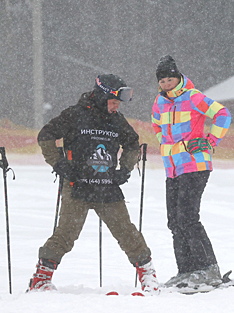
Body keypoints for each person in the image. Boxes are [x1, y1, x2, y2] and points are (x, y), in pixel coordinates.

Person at [28, 74, 159, 293]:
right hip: (77, 187)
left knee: (127, 233)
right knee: (66, 234)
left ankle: (149, 277)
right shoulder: (75, 115)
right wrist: (59, 164)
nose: (116, 107)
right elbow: (46, 135)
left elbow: (132, 144)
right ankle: (40, 279)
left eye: (118, 103)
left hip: (107, 188)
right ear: (100, 96)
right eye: (113, 102)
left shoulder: (117, 120)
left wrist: (124, 170)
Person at [151, 55, 232, 288]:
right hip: (172, 168)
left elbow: (223, 114)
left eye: (170, 79)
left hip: (195, 165)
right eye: (163, 81)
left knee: (187, 217)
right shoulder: (159, 102)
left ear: (178, 78)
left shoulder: (193, 97)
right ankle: (187, 270)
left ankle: (208, 269)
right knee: (174, 221)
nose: (167, 84)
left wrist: (211, 140)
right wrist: (164, 145)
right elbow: (157, 125)